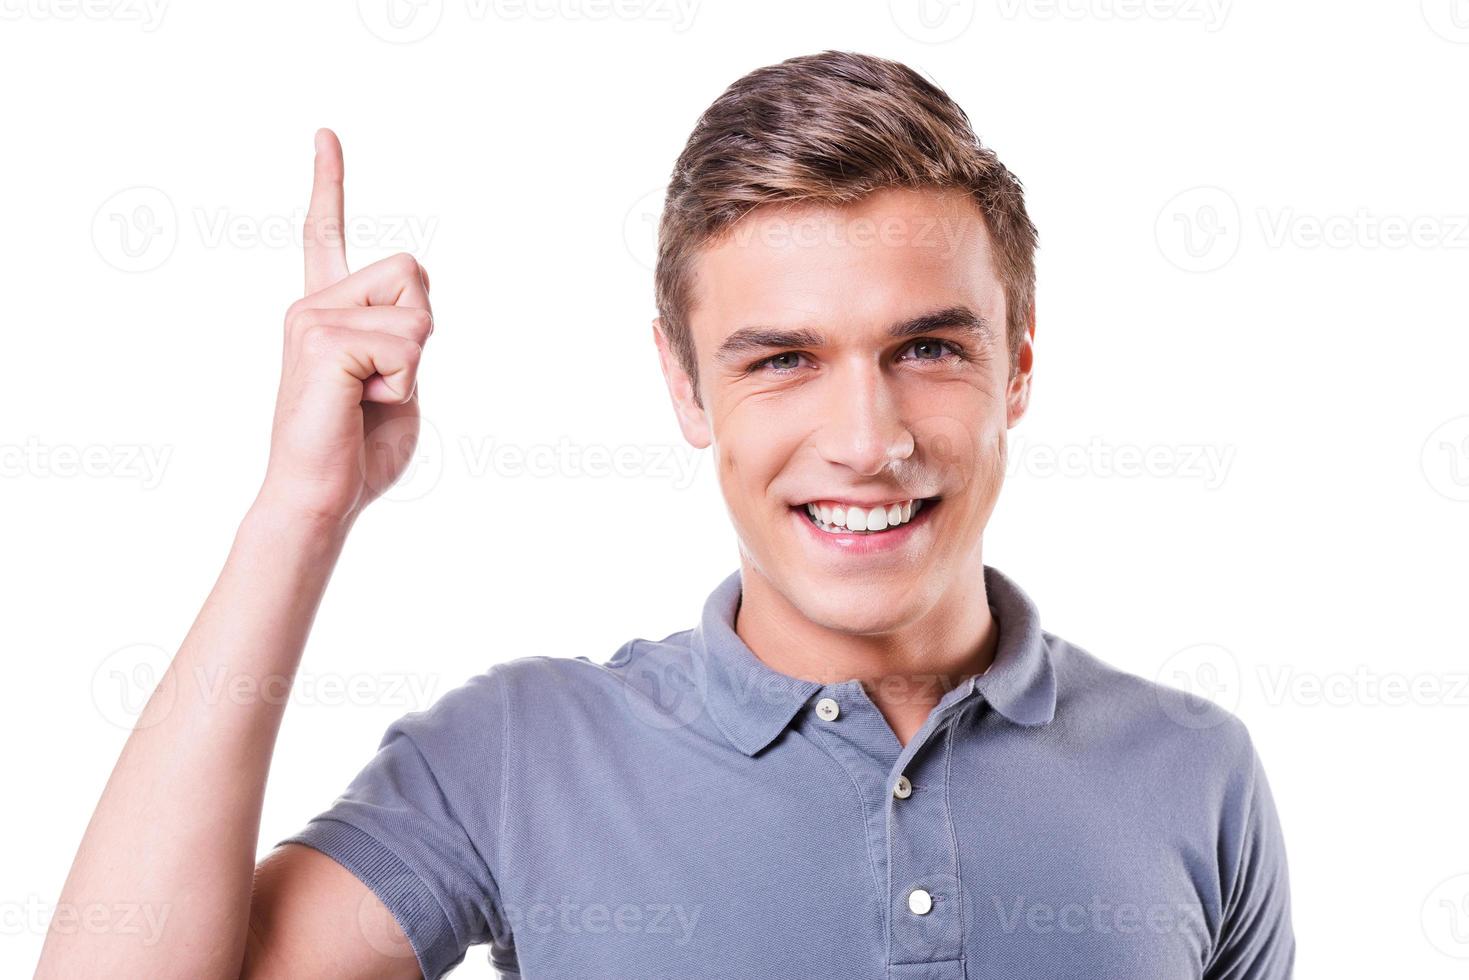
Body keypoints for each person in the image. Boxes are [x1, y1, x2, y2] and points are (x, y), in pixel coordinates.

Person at [36, 50, 1293, 979]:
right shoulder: (520, 752)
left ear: (1017, 363)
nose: (865, 440)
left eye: (924, 346)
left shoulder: (1194, 772)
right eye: (779, 359)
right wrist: (296, 510)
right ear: (685, 388)